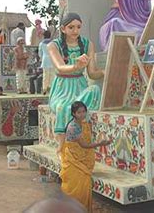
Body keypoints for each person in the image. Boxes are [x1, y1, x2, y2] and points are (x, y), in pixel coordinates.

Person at [48, 13, 104, 155]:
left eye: (78, 27)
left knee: (94, 89)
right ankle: (62, 146)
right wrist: (76, 66)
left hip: (80, 86)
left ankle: (82, 139)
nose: (75, 31)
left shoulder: (87, 44)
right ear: (62, 29)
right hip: (62, 88)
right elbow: (60, 68)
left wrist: (106, 71)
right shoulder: (53, 46)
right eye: (71, 27)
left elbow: (92, 73)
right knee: (63, 107)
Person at [60, 101, 112, 212]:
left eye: (84, 111)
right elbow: (84, 145)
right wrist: (100, 143)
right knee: (79, 184)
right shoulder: (73, 127)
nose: (82, 114)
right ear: (74, 114)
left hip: (81, 157)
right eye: (79, 112)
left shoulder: (82, 124)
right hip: (74, 160)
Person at [39, 30, 54, 95]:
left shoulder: (41, 43)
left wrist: (41, 58)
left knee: (45, 75)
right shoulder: (53, 43)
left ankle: (44, 88)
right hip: (52, 59)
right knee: (52, 75)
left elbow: (40, 53)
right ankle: (50, 88)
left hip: (45, 60)